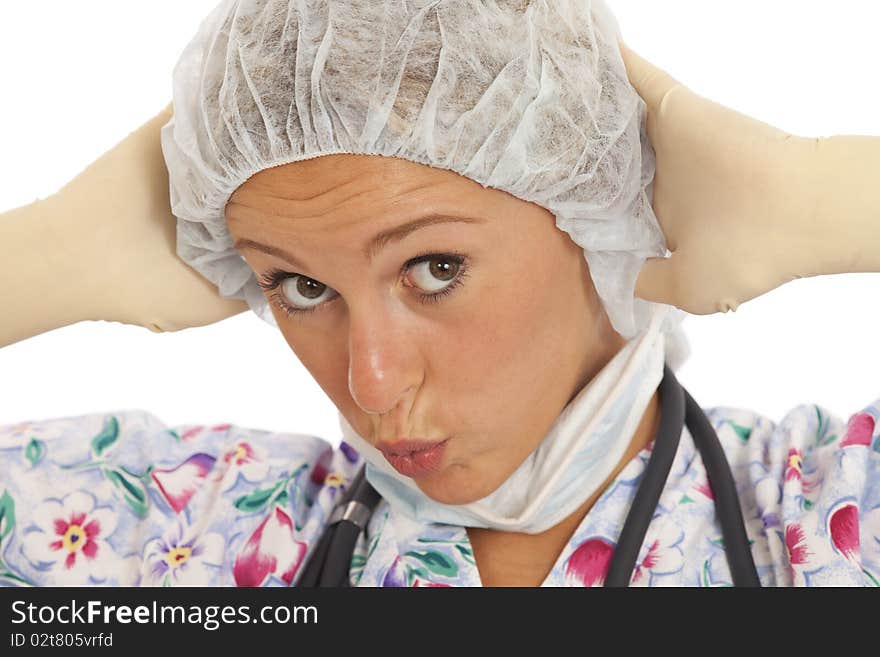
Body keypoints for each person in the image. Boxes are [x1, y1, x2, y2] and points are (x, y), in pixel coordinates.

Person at [1, 0, 878, 587]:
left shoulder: (828, 512)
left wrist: (827, 194)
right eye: (301, 284)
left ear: (601, 209)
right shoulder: (177, 524)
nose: (370, 383)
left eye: (435, 268)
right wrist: (36, 260)